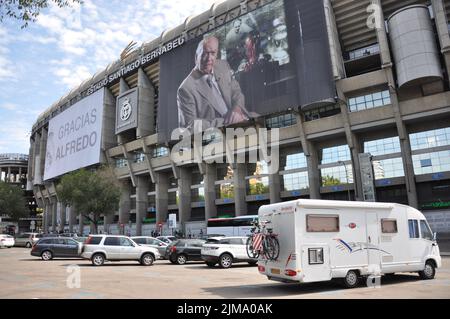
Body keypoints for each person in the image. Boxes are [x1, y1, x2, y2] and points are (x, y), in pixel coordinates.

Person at [177, 36, 254, 131]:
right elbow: (190, 126)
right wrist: (226, 122)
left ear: (217, 53)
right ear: (196, 57)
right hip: (217, 135)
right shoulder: (186, 88)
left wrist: (237, 108)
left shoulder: (223, 65)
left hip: (242, 118)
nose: (209, 58)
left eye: (213, 53)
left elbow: (236, 91)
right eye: (205, 54)